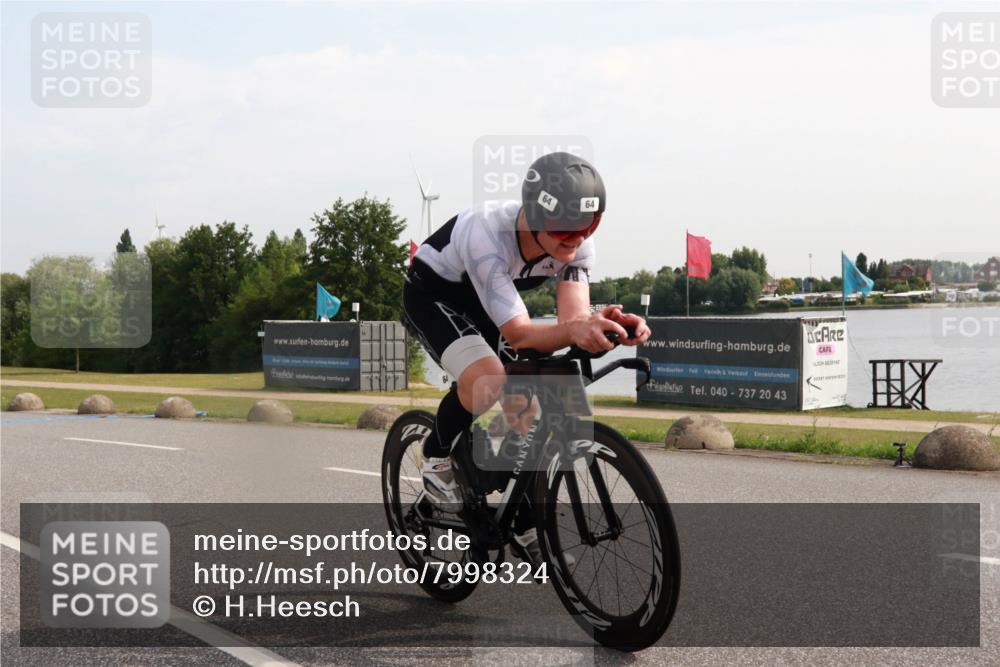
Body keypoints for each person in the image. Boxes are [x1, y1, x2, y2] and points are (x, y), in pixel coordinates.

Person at [401, 151, 651, 567]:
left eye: (586, 227)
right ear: (535, 215)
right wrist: (575, 328)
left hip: (486, 300)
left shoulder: (578, 245)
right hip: (434, 296)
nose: (575, 239)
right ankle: (436, 455)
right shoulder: (487, 233)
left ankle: (520, 516)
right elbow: (519, 332)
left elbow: (570, 321)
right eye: (563, 231)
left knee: (543, 386)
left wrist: (601, 325)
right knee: (488, 379)